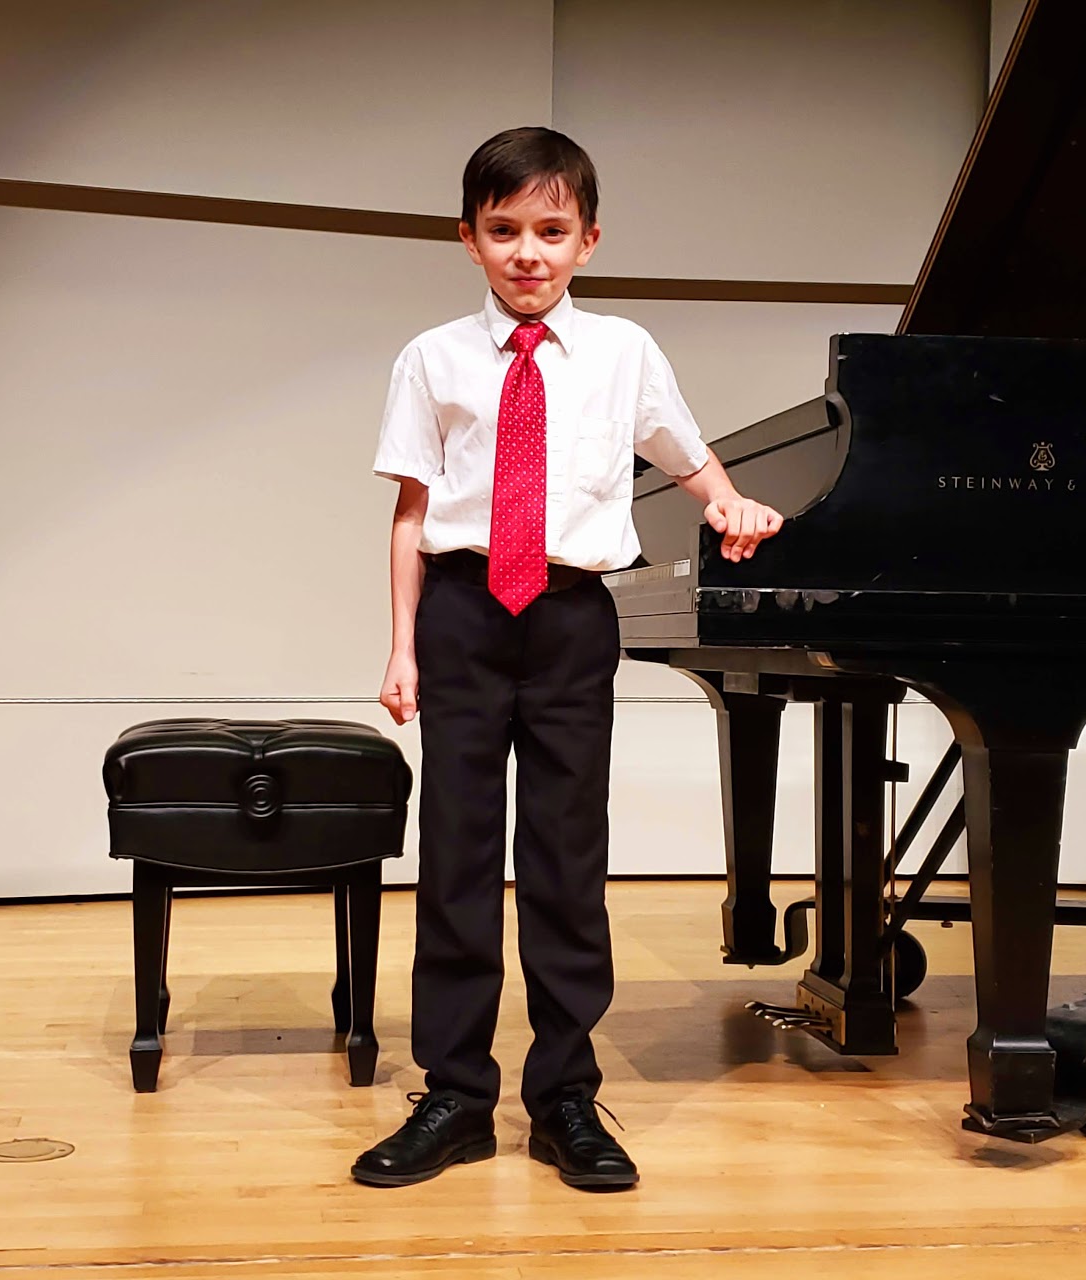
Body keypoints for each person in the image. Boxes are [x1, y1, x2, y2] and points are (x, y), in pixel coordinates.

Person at [355, 126, 782, 1192]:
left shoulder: (625, 350)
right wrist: (402, 644)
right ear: (467, 239)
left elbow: (687, 456)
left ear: (588, 239)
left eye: (550, 231)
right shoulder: (433, 357)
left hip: (568, 618)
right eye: (503, 231)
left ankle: (563, 1098)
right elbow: (412, 512)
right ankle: (452, 1094)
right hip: (459, 612)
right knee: (453, 854)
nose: (526, 253)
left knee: (561, 858)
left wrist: (725, 502)